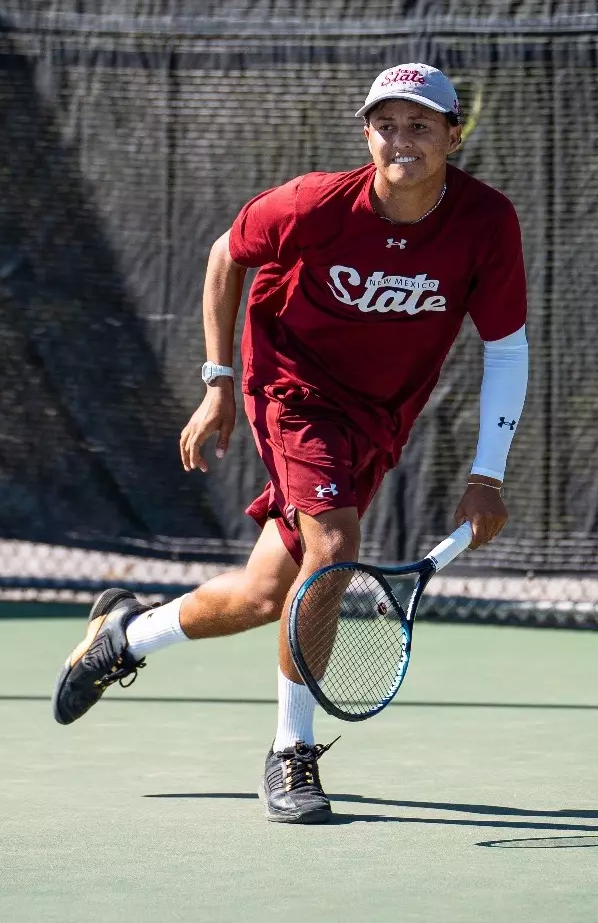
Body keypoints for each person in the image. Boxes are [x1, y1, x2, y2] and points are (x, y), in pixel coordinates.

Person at [51, 63, 530, 824]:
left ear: (452, 135)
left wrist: (487, 474)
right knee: (335, 548)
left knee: (267, 596)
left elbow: (506, 348)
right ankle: (289, 754)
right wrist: (216, 381)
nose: (400, 139)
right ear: (365, 132)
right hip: (292, 391)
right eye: (386, 124)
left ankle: (124, 636)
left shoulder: (485, 222)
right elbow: (224, 256)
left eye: (420, 125)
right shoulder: (312, 203)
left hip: (378, 416)